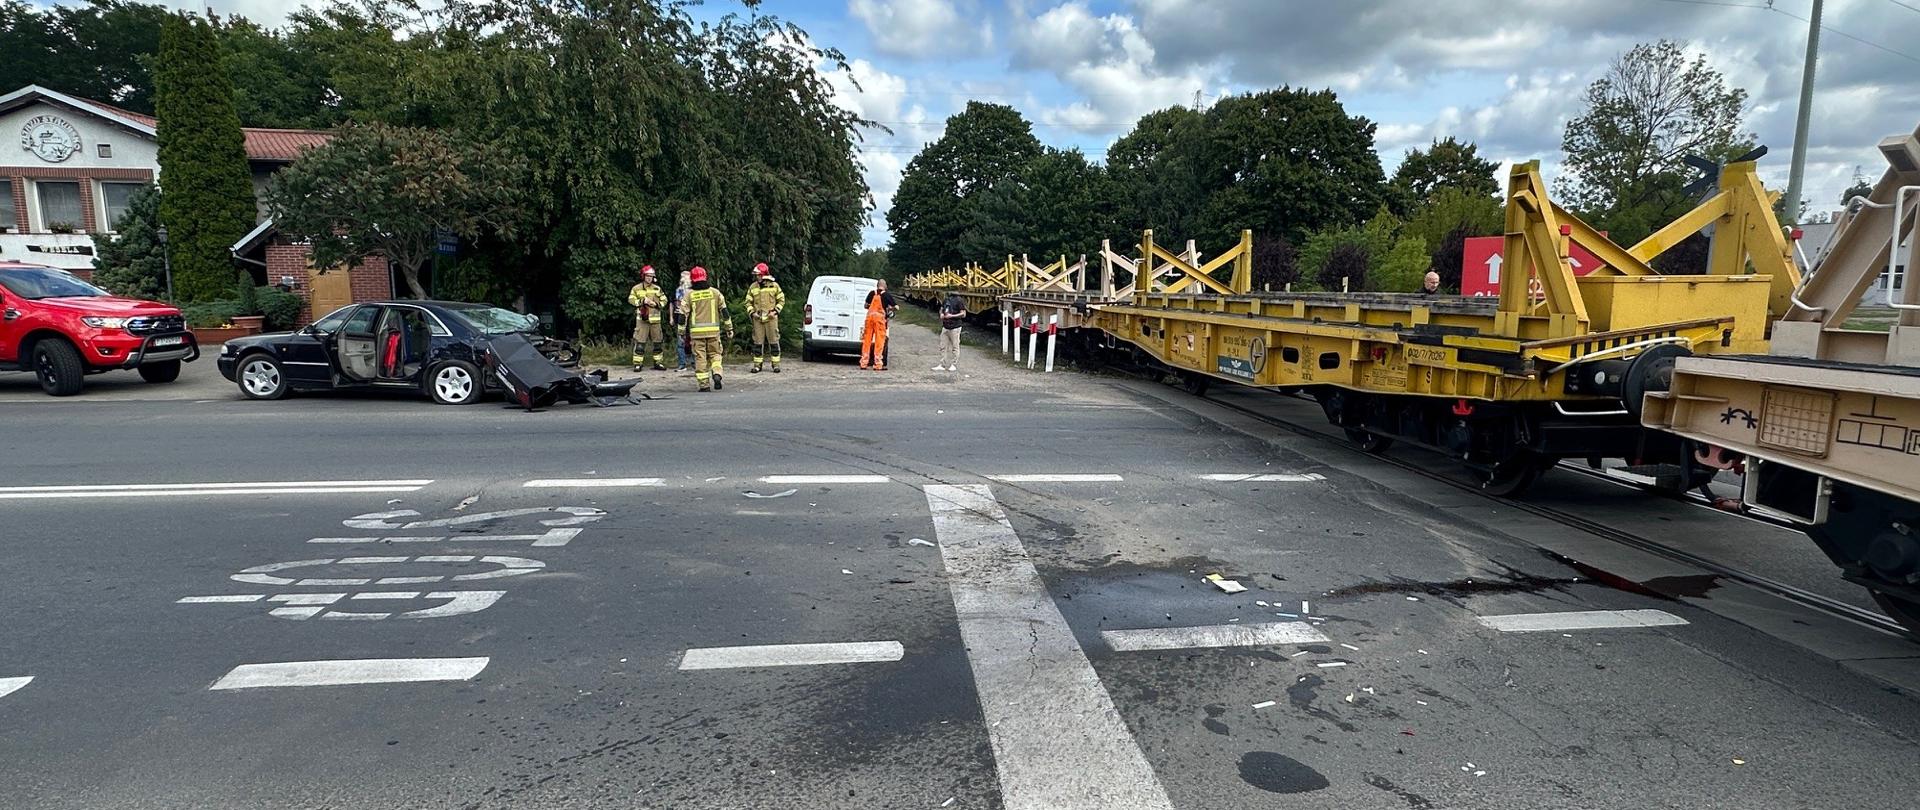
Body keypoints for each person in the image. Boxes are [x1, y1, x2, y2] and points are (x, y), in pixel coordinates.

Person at [684, 266, 733, 392]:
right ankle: (717, 373)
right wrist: (729, 328)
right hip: (713, 332)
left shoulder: (689, 295)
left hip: (696, 334)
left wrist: (680, 331)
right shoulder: (715, 293)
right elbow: (725, 312)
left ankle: (704, 385)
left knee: (700, 358)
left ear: (692, 280)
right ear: (705, 277)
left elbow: (683, 315)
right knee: (715, 355)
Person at [743, 262, 786, 373]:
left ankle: (776, 365)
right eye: (756, 275)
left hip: (771, 319)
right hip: (758, 319)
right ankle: (757, 365)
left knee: (774, 342)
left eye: (758, 275)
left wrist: (775, 311)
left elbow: (781, 300)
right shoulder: (753, 287)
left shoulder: (774, 286)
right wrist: (752, 313)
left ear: (764, 275)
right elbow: (747, 302)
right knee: (757, 343)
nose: (757, 277)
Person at [627, 265, 668, 371]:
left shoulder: (657, 288)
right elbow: (631, 300)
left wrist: (656, 304)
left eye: (651, 276)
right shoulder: (636, 288)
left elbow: (664, 300)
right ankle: (638, 364)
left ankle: (658, 363)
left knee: (657, 343)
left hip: (656, 321)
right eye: (648, 276)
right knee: (640, 343)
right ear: (643, 276)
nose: (650, 278)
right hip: (642, 320)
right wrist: (642, 301)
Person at [859, 279, 898, 371]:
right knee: (879, 342)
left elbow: (865, 305)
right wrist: (889, 308)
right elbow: (897, 307)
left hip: (869, 319)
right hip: (879, 320)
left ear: (877, 286)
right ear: (885, 286)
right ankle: (877, 364)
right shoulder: (887, 295)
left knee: (867, 341)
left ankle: (863, 363)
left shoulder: (872, 293)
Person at [935, 292, 965, 371]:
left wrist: (952, 316)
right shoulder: (946, 300)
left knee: (955, 346)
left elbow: (963, 314)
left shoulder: (959, 300)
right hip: (945, 326)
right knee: (943, 346)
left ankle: (953, 364)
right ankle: (942, 364)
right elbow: (941, 309)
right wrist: (941, 314)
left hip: (955, 327)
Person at [672, 270, 694, 372]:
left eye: (686, 277)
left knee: (693, 341)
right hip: (679, 318)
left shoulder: (693, 291)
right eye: (682, 277)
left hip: (691, 320)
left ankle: (695, 363)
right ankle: (682, 364)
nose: (683, 279)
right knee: (680, 342)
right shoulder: (677, 290)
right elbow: (673, 303)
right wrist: (671, 317)